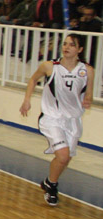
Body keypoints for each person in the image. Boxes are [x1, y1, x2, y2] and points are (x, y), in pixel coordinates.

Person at [19, 34, 94, 207]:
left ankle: (49, 182)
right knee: (62, 155)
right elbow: (33, 79)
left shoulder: (87, 70)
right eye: (65, 44)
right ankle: (52, 186)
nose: (66, 47)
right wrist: (27, 100)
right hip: (52, 117)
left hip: (73, 120)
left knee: (65, 159)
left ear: (80, 49)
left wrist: (88, 99)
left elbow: (88, 92)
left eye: (71, 45)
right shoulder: (50, 66)